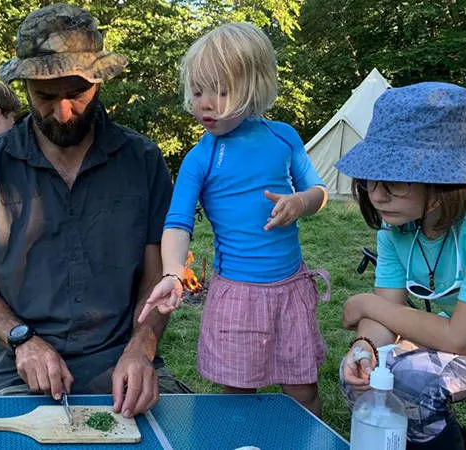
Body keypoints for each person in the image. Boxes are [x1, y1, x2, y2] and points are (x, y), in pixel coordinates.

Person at [0, 3, 190, 418]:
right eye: (45, 96)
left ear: (98, 81)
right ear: (23, 88)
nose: (62, 112)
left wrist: (141, 348)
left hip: (122, 359)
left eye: (77, 93)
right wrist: (22, 339)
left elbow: (157, 275)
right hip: (20, 366)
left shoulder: (142, 160)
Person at [138, 22, 329, 416]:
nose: (204, 103)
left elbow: (319, 192)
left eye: (220, 91)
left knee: (303, 390)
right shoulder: (201, 157)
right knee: (239, 394)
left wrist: (300, 202)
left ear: (254, 87)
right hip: (238, 296)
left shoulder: (284, 137)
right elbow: (177, 223)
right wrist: (173, 272)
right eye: (197, 91)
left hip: (291, 287)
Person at [334, 82, 466, 450]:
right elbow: (387, 312)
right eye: (371, 178)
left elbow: (465, 339)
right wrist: (365, 347)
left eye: (396, 181)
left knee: (412, 383)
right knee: (367, 378)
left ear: (443, 182)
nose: (376, 194)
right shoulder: (397, 223)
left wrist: (368, 306)